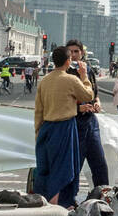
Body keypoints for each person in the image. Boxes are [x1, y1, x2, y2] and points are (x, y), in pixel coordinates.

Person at [33, 46, 95, 206]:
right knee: (64, 167)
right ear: (68, 61)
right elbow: (88, 95)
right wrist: (84, 75)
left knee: (46, 167)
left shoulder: (45, 80)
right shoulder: (71, 79)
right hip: (65, 127)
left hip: (46, 127)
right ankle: (59, 205)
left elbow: (39, 110)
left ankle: (44, 202)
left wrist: (37, 132)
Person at [66, 39, 110, 187]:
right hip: (75, 122)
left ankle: (104, 196)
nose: (73, 55)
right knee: (74, 165)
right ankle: (68, 201)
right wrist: (79, 108)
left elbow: (94, 93)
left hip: (91, 121)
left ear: (82, 52)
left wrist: (97, 102)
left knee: (99, 164)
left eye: (76, 52)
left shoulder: (88, 69)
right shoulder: (66, 72)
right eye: (70, 52)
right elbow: (61, 102)